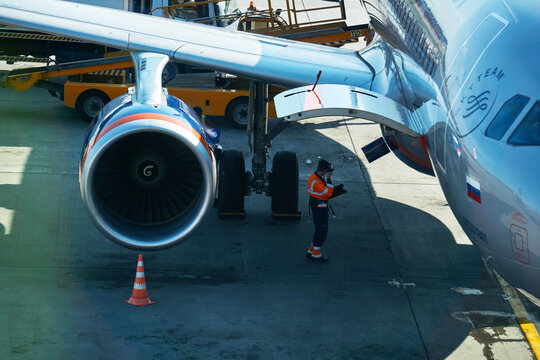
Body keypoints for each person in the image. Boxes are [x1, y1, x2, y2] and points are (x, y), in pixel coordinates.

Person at [306, 159, 334, 262]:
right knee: (322, 230)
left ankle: (311, 250)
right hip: (320, 209)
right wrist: (329, 179)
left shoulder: (314, 177)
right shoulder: (317, 181)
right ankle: (316, 255)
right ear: (325, 170)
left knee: (318, 229)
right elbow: (328, 193)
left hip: (317, 206)